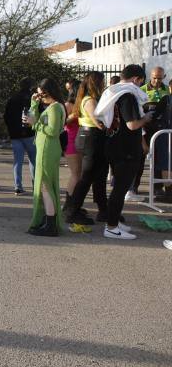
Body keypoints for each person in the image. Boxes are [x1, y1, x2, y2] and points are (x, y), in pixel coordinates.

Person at [94, 64, 154, 240]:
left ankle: (113, 222)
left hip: (115, 144)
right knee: (120, 189)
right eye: (140, 82)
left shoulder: (114, 92)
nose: (140, 85)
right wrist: (146, 118)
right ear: (136, 79)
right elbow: (132, 124)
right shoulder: (127, 95)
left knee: (118, 188)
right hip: (126, 148)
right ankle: (112, 227)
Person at [61, 72, 106, 227]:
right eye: (102, 82)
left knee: (95, 175)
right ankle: (72, 210)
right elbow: (98, 122)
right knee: (85, 176)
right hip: (90, 138)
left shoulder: (87, 98)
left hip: (89, 138)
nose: (104, 84)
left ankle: (99, 209)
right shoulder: (89, 100)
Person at [22, 79, 65, 236]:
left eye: (41, 95)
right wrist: (34, 105)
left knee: (45, 186)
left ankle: (50, 224)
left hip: (47, 149)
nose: (40, 97)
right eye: (38, 95)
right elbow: (38, 124)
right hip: (47, 148)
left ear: (49, 92)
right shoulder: (54, 107)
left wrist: (36, 123)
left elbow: (52, 130)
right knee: (46, 185)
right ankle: (48, 221)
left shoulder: (54, 108)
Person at [128, 66, 169, 202]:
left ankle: (158, 187)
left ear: (164, 77)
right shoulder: (141, 90)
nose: (157, 81)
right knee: (139, 157)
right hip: (144, 128)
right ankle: (133, 187)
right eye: (154, 78)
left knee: (160, 158)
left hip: (161, 129)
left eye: (160, 78)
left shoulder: (167, 90)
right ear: (150, 76)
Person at [4, 78, 37, 195]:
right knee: (33, 160)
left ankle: (18, 186)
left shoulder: (12, 99)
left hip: (15, 134)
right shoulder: (32, 99)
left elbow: (6, 117)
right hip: (29, 133)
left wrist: (11, 130)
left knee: (18, 161)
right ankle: (35, 185)